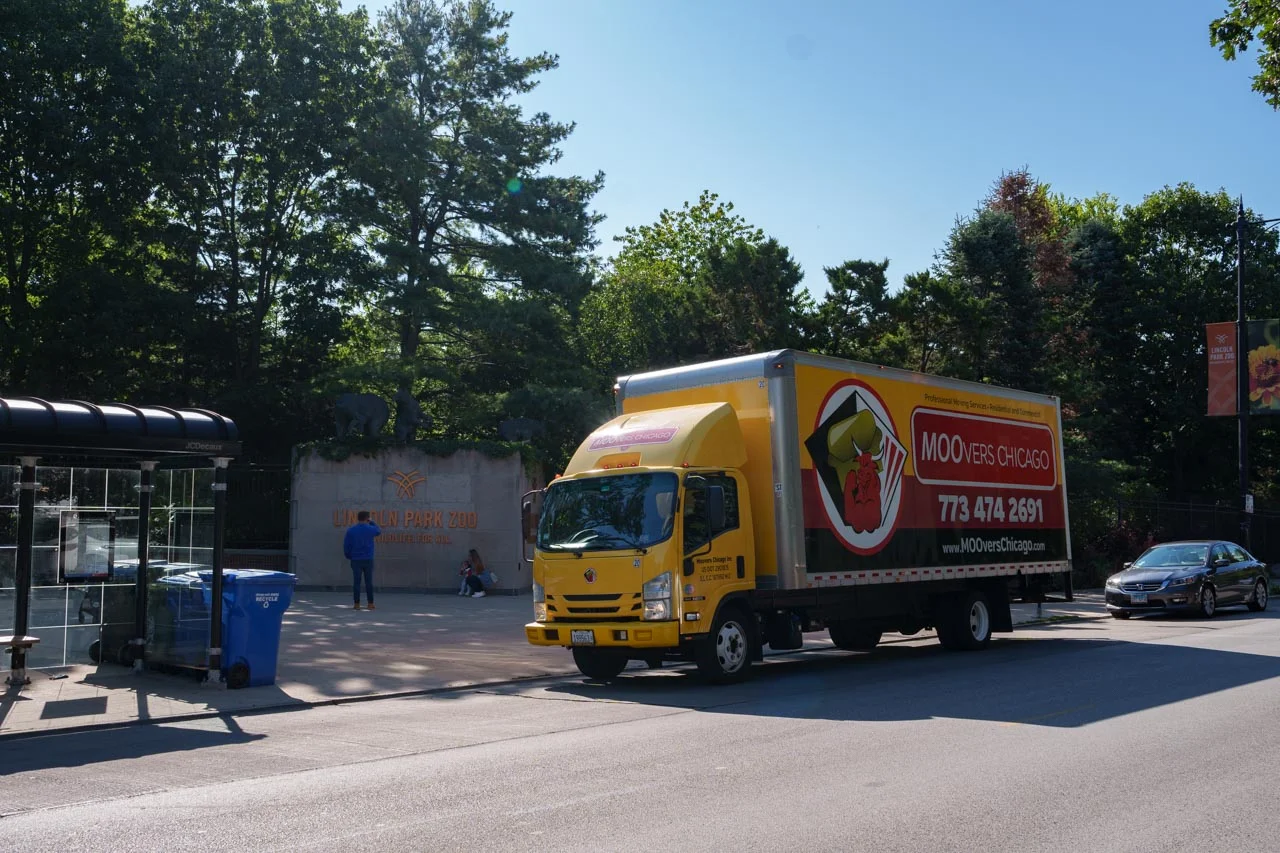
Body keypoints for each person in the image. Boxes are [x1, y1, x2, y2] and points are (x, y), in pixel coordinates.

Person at [343, 511, 381, 610]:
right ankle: (370, 603)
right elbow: (378, 531)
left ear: (358, 518)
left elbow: (347, 546)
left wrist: (349, 556)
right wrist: (372, 522)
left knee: (356, 582)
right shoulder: (371, 529)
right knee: (369, 582)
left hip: (355, 559)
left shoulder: (351, 530)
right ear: (367, 518)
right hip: (368, 559)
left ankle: (356, 604)